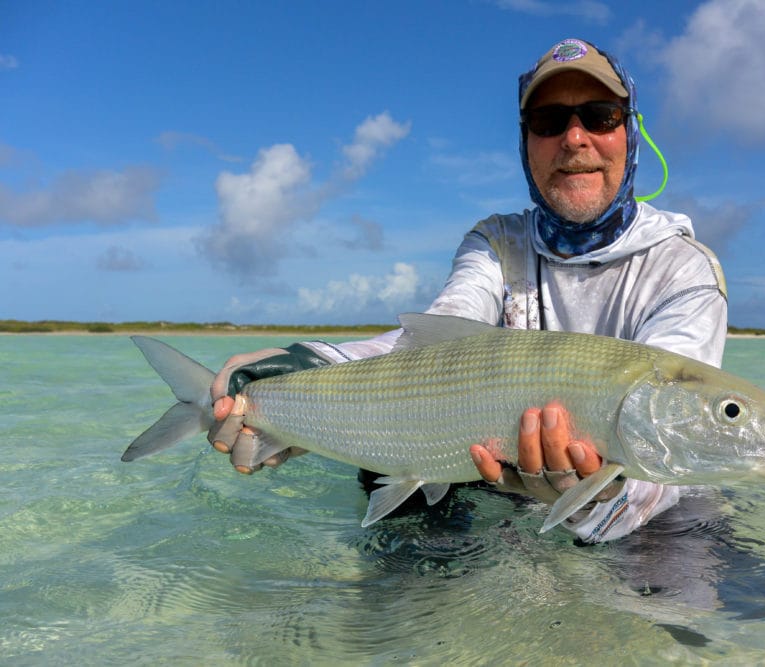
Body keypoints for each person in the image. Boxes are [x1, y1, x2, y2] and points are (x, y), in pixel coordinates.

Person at [209, 38, 728, 544]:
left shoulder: (685, 269)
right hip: (493, 479)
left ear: (630, 132)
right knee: (390, 505)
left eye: (599, 116)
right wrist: (305, 363)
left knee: (699, 593)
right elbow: (431, 347)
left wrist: (596, 492)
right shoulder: (496, 242)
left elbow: (670, 453)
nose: (574, 139)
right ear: (526, 143)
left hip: (645, 512)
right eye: (549, 122)